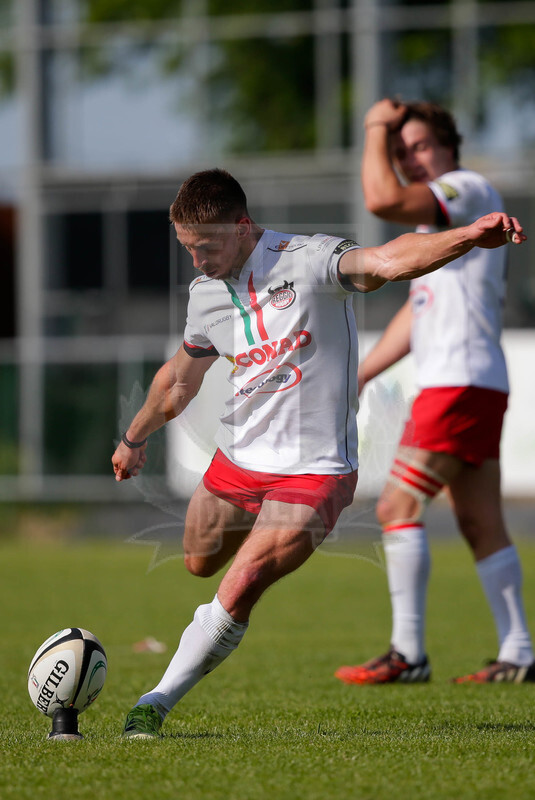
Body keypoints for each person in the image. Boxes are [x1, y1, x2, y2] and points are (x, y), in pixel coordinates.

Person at [112, 168, 525, 738]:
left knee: (241, 579)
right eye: (187, 249)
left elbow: (389, 260)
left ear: (243, 225)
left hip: (314, 473)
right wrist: (135, 438)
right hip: (238, 462)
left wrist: (466, 237)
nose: (197, 261)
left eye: (205, 247)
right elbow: (179, 381)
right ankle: (244, 555)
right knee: (198, 559)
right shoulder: (205, 295)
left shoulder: (308, 259)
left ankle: (153, 704)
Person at [335, 99, 535, 686]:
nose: (410, 159)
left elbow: (379, 199)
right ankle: (520, 652)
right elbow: (417, 312)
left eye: (419, 146)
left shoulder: (466, 189)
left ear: (449, 147)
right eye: (401, 153)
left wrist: (375, 125)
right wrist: (364, 372)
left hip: (458, 384)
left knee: (398, 505)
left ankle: (407, 653)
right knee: (480, 522)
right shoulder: (437, 230)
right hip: (473, 381)